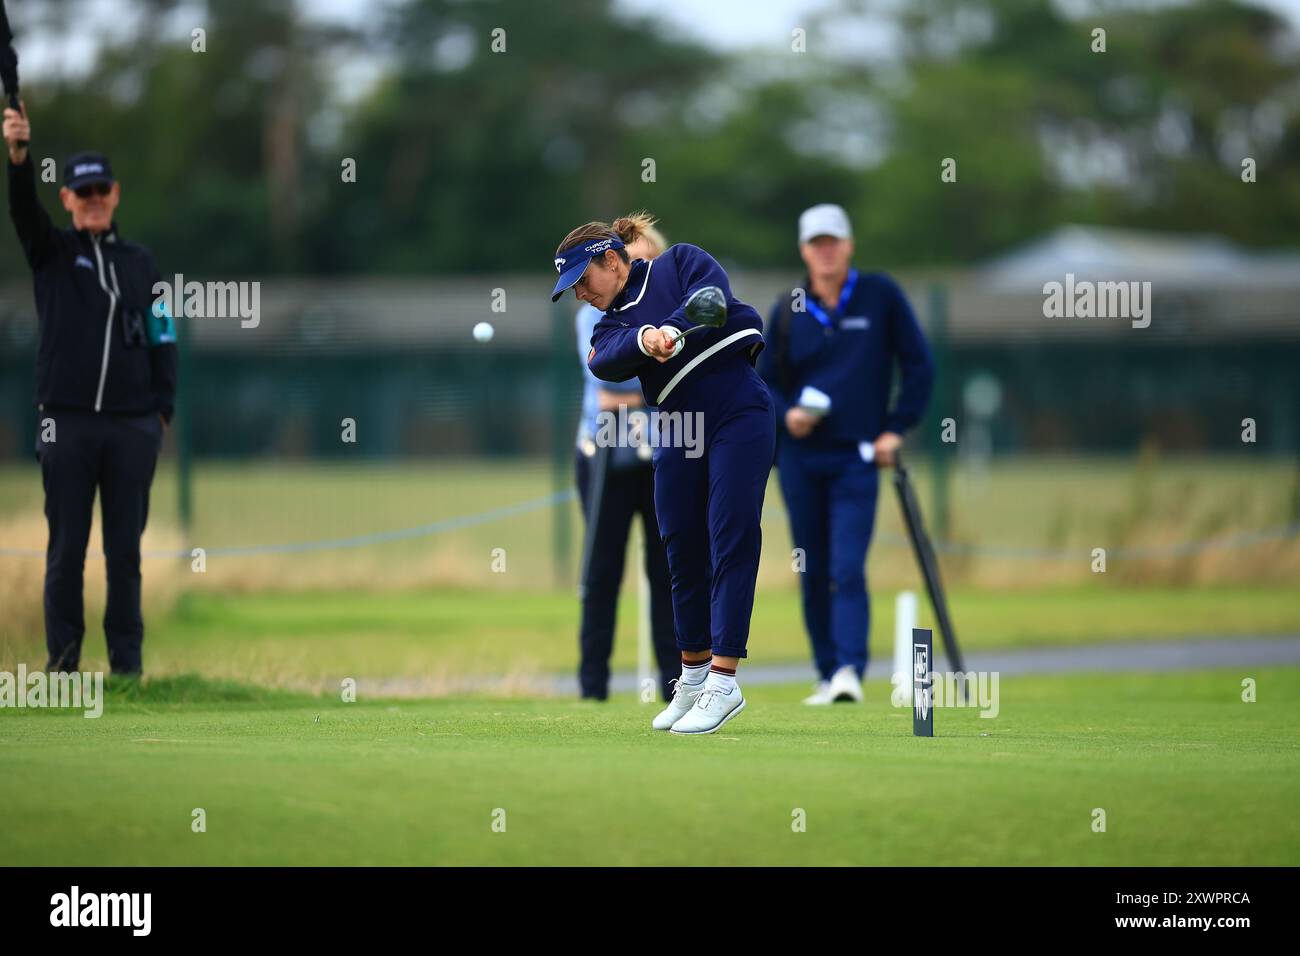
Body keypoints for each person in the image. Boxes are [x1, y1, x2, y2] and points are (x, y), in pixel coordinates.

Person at [551, 217, 773, 734]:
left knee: (730, 533)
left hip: (736, 407)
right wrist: (646, 338)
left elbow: (713, 299)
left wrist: (671, 326)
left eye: (583, 281)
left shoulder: (679, 262)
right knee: (679, 545)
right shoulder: (608, 324)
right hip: (676, 424)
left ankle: (724, 680)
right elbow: (603, 361)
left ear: (612, 259)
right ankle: (692, 677)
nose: (582, 294)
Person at [4, 101, 177, 677]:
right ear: (68, 199)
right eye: (84, 192)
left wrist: (162, 411)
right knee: (66, 552)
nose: (95, 198)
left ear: (117, 193)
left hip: (132, 424)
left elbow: (163, 334)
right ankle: (64, 667)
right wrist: (19, 155)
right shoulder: (52, 253)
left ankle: (127, 669)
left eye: (102, 189)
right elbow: (22, 208)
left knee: (124, 555)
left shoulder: (142, 263)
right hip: (66, 421)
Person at [758, 204, 933, 704]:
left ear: (849, 245)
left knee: (847, 565)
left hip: (858, 455)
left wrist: (896, 430)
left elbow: (919, 365)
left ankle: (850, 671)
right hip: (799, 457)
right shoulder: (788, 306)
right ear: (804, 251)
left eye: (833, 240)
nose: (826, 250)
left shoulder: (880, 295)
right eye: (817, 243)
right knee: (811, 567)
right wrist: (787, 413)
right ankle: (826, 670)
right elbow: (763, 380)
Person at [573, 214, 678, 702]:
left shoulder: (671, 306)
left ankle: (678, 687)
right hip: (604, 454)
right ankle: (592, 689)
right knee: (602, 570)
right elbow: (605, 382)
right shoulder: (593, 311)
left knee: (669, 571)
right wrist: (654, 372)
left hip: (662, 452)